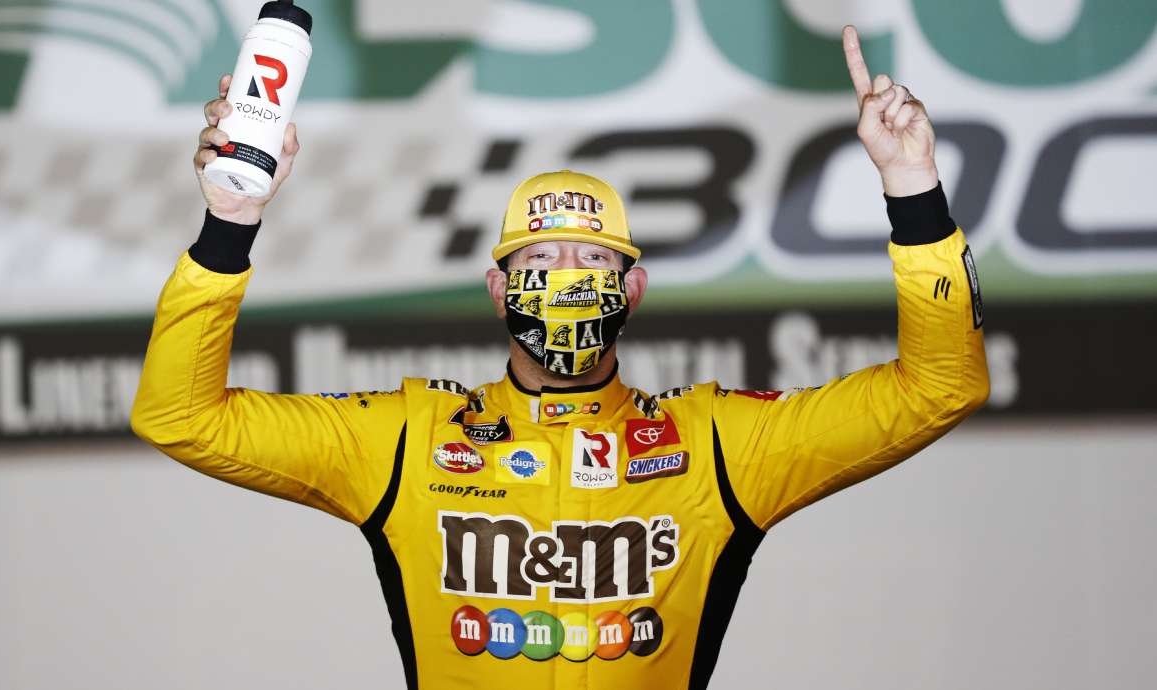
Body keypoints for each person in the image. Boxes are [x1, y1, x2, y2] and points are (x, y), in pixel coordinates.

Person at [132, 26, 988, 690]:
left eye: (593, 262)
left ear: (634, 289)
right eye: (540, 262)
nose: (568, 280)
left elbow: (940, 387)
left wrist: (912, 186)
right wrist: (229, 224)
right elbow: (180, 417)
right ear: (498, 291)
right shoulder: (409, 438)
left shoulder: (719, 444)